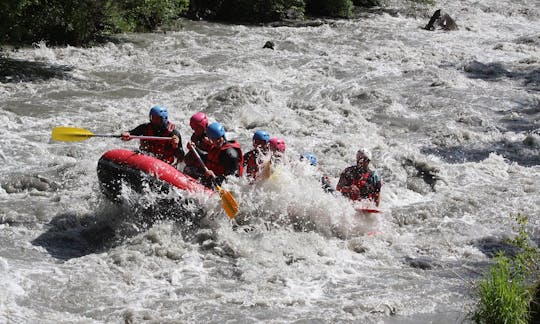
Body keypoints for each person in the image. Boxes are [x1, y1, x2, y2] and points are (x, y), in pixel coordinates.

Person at [197, 122, 244, 187]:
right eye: (213, 139)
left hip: (224, 184)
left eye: (218, 138)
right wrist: (194, 149)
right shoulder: (216, 148)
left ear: (223, 136)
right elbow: (208, 159)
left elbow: (234, 179)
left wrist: (215, 177)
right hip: (215, 178)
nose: (217, 141)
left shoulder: (230, 154)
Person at [183, 112, 211, 179]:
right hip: (200, 163)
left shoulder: (212, 137)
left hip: (210, 165)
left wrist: (211, 144)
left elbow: (212, 155)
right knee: (187, 160)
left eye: (197, 128)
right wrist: (191, 147)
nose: (195, 130)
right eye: (193, 128)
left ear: (204, 126)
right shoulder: (194, 137)